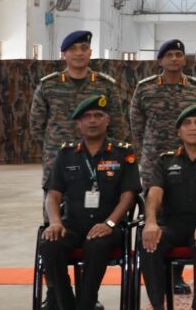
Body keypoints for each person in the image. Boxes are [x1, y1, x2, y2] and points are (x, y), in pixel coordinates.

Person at [39, 94, 139, 310]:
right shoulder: (66, 154)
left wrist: (110, 224)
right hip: (73, 224)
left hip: (109, 226)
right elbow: (53, 195)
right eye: (87, 117)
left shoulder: (123, 153)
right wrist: (55, 222)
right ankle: (66, 303)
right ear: (79, 123)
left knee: (96, 245)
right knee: (49, 246)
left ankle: (86, 303)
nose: (92, 120)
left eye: (98, 115)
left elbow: (128, 196)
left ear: (107, 120)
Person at [130, 39, 196, 295]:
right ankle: (158, 271)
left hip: (189, 162)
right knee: (157, 216)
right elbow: (136, 125)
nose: (175, 59)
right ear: (160, 60)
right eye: (169, 55)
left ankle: (177, 275)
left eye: (179, 55)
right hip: (155, 161)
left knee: (187, 213)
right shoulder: (145, 89)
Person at [139, 104, 196, 310]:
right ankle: (158, 306)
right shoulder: (165, 160)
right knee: (148, 241)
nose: (193, 127)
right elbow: (154, 193)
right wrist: (151, 223)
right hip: (171, 225)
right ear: (179, 132)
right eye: (187, 123)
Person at [30, 30, 127, 185]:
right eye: (73, 49)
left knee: (100, 201)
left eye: (84, 48)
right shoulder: (48, 85)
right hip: (58, 155)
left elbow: (116, 124)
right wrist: (53, 147)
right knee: (54, 202)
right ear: (63, 54)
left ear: (90, 53)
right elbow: (36, 126)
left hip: (97, 155)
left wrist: (109, 152)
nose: (79, 53)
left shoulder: (105, 85)